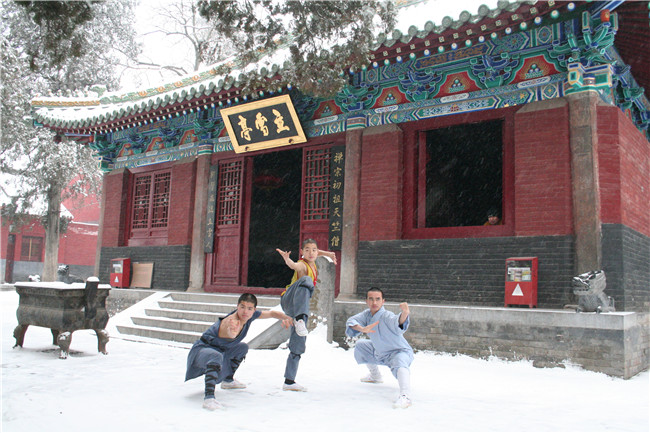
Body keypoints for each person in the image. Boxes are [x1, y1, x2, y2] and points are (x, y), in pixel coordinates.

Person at [185, 293, 293, 411]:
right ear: (237, 306)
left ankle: (228, 380)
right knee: (216, 356)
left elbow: (272, 313)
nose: (245, 311)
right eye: (242, 307)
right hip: (202, 351)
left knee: (242, 347)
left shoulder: (250, 316)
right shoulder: (231, 321)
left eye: (249, 308)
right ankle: (209, 398)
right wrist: (232, 331)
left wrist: (286, 318)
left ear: (254, 310)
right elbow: (231, 333)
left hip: (221, 350)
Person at [275, 238, 337, 392]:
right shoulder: (302, 264)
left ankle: (289, 381)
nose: (311, 253)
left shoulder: (313, 259)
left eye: (314, 250)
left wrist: (328, 253)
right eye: (307, 250)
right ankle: (300, 319)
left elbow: (317, 252)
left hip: (299, 308)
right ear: (302, 252)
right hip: (289, 300)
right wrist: (287, 260)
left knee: (299, 343)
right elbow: (294, 266)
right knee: (306, 280)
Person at [345, 287, 414, 409]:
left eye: (377, 299)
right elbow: (351, 321)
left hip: (398, 352)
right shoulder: (366, 315)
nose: (374, 302)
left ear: (383, 301)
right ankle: (375, 376)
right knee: (361, 345)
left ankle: (405, 396)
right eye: (371, 299)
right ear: (366, 301)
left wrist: (404, 313)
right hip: (380, 352)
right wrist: (362, 329)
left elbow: (396, 321)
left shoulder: (386, 316)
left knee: (400, 363)